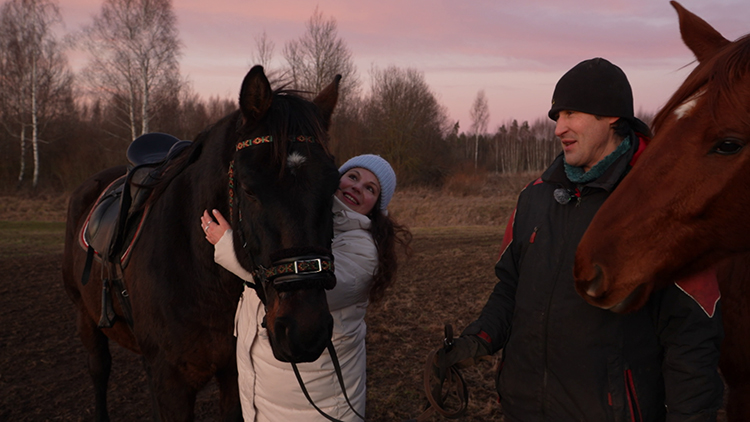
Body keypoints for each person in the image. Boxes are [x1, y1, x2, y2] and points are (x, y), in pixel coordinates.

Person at [436, 58, 724, 421]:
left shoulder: (665, 204)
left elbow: (691, 335)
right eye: (557, 116)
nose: (559, 128)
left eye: (571, 113)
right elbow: (510, 289)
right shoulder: (534, 197)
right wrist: (478, 339)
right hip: (523, 408)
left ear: (612, 117)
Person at [201, 154, 411, 421]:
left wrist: (226, 245)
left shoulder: (363, 251)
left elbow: (304, 285)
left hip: (317, 402)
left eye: (370, 188)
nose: (357, 187)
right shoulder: (299, 221)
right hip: (265, 385)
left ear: (376, 207)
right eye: (353, 177)